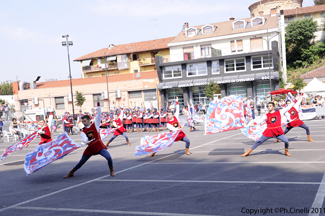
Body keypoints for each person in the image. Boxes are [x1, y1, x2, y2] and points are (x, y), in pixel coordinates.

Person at [64, 102, 115, 178]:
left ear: (88, 120)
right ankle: (72, 172)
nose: (83, 123)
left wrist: (98, 106)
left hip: (99, 146)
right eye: (82, 121)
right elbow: (84, 139)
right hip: (90, 148)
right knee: (81, 162)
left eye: (84, 121)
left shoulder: (95, 124)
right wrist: (86, 142)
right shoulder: (83, 131)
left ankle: (111, 170)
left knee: (108, 157)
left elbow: (99, 115)